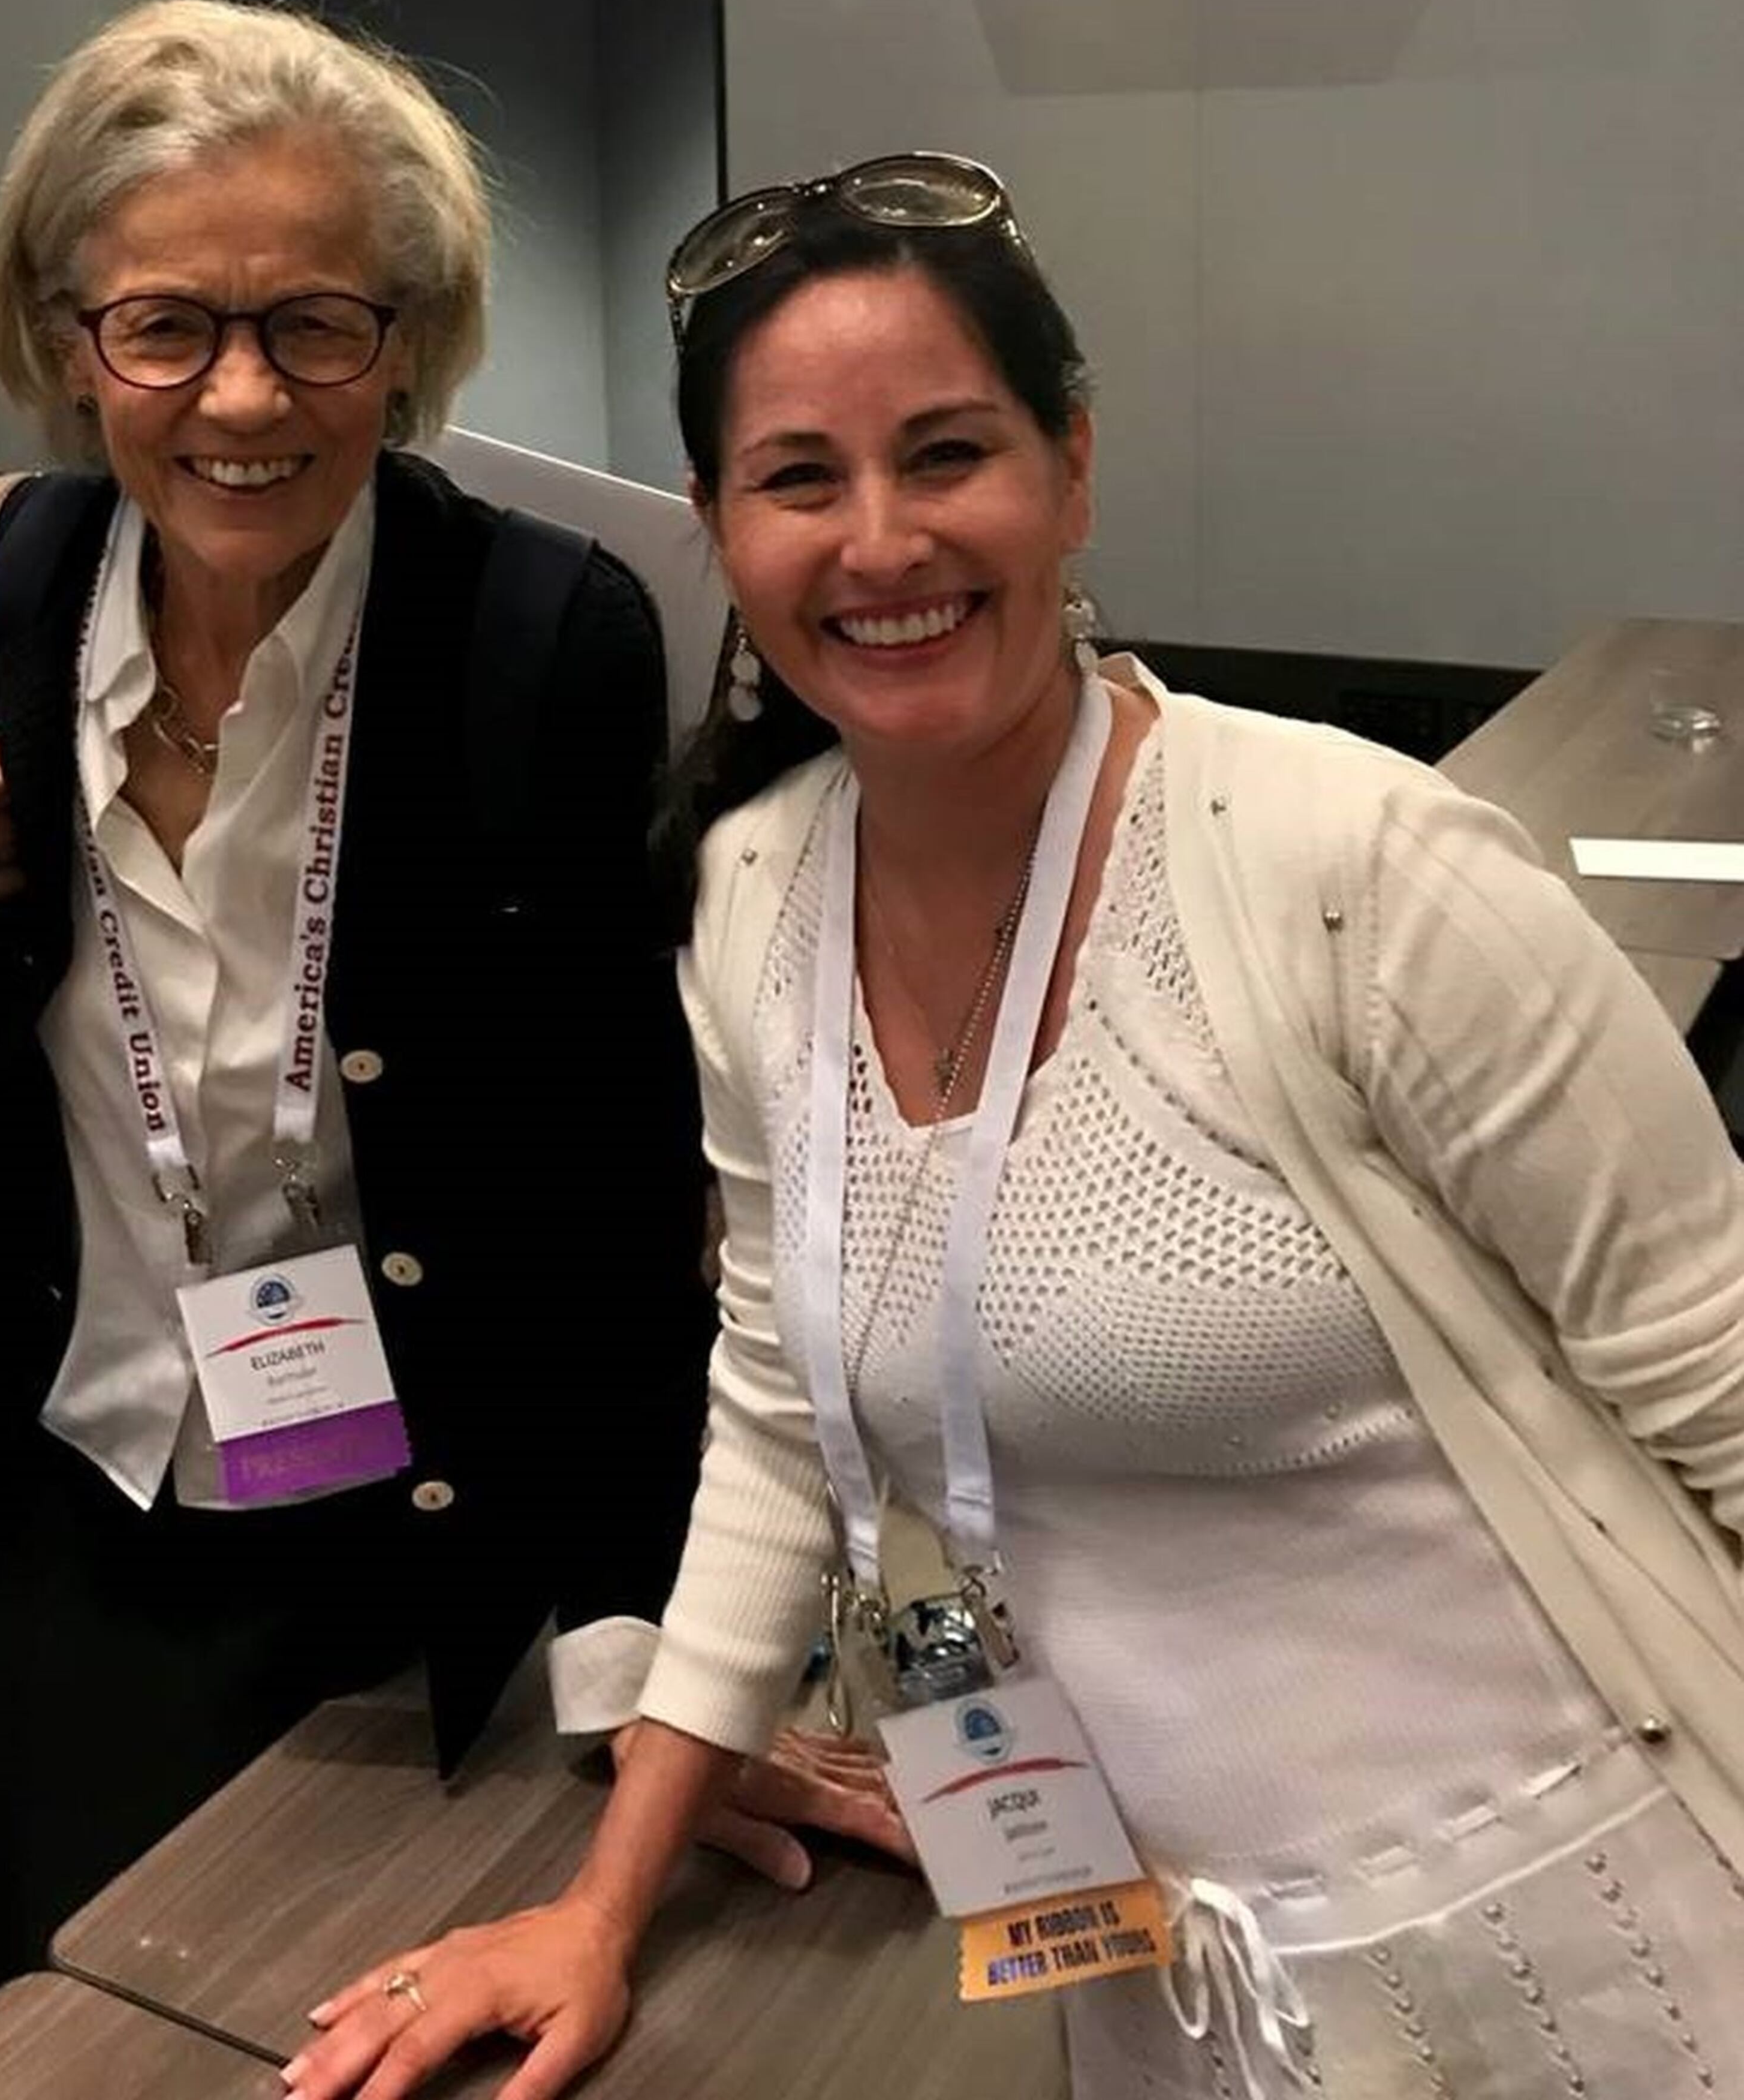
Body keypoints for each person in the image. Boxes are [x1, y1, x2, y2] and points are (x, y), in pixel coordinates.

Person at [284, 154, 1744, 2100]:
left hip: (1569, 1934)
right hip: (1143, 1965)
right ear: (718, 526)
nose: (882, 542)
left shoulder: (1356, 872)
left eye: (949, 453)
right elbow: (778, 1407)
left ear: (1071, 468)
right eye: (800, 478)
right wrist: (600, 1903)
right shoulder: (751, 895)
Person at [0, 0, 740, 2079]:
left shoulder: (538, 638)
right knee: (15, 2015)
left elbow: (611, 1178)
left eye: (316, 323)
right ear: (71, 342)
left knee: (325, 2020)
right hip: (52, 1474)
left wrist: (632, 1638)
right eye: (164, 327)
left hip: (402, 1525)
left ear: (406, 342)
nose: (242, 396)